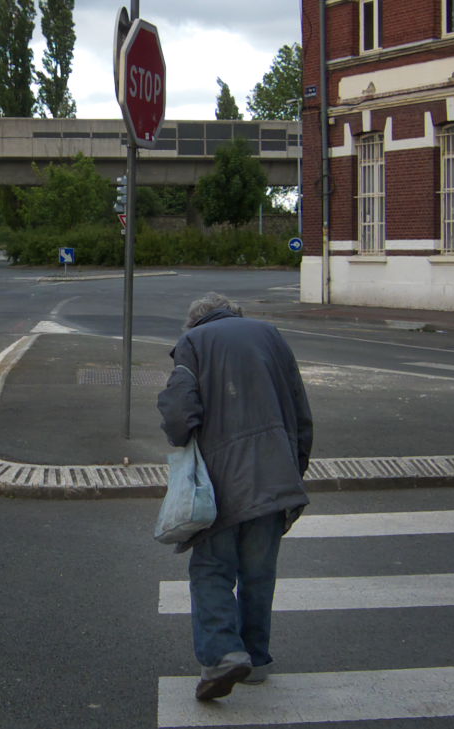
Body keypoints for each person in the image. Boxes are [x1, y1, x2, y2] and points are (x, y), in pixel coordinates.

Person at [157, 292, 314, 701]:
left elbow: (178, 410)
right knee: (259, 575)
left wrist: (183, 439)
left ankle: (222, 654)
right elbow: (300, 410)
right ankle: (256, 661)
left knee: (212, 570)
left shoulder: (192, 343)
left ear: (194, 321)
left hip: (222, 480)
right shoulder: (271, 335)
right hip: (276, 475)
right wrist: (294, 470)